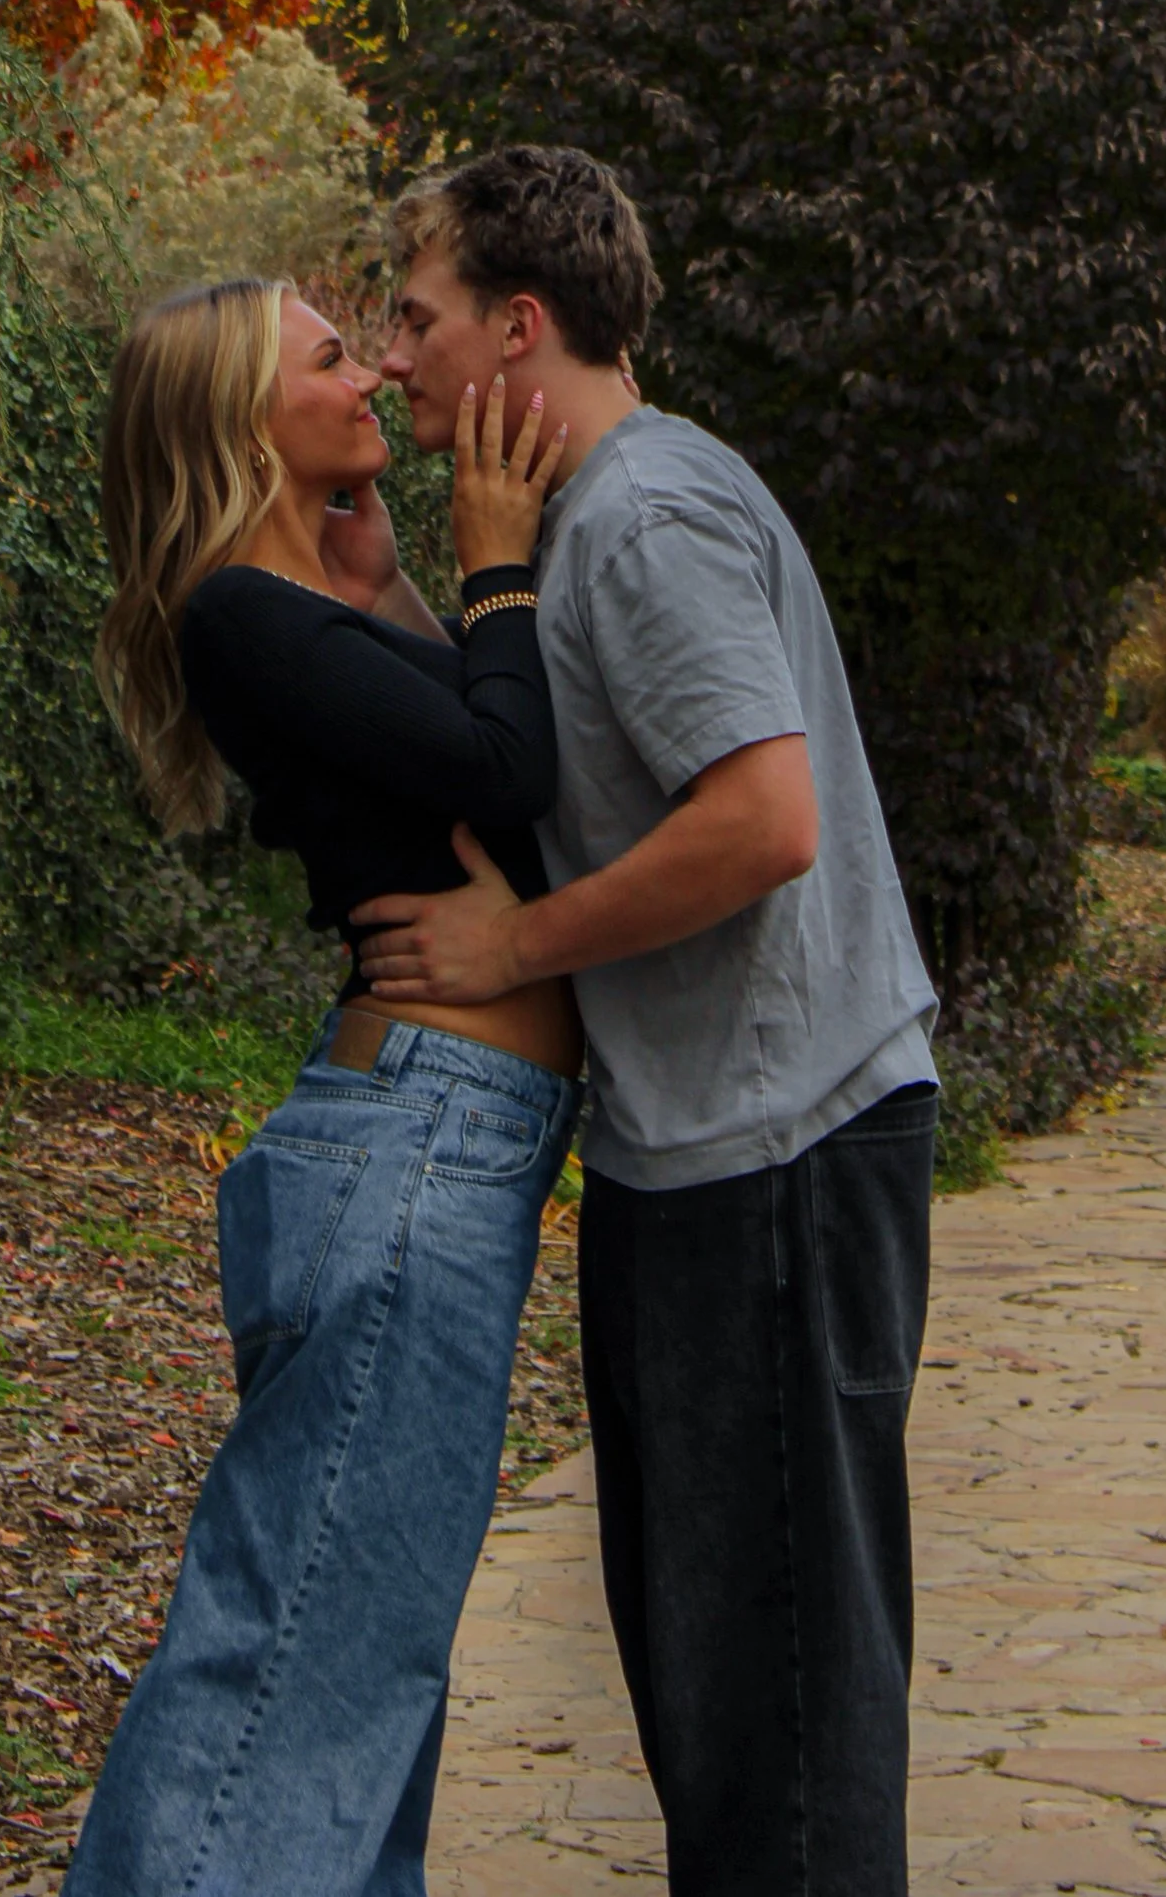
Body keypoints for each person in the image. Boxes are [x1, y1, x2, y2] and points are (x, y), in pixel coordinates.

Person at [357, 146, 941, 1897]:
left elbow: (765, 817)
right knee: (722, 1705)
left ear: (516, 325)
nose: (394, 357)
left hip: (779, 1166)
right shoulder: (595, 517)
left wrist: (513, 940)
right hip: (712, 1164)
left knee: (775, 1725)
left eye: (417, 313)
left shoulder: (643, 518)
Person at [63, 277, 578, 1897]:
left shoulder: (313, 604)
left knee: (358, 1694)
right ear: (242, 418)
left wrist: (407, 586)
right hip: (417, 1143)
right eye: (332, 356)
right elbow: (511, 774)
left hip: (444, 1146)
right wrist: (498, 554)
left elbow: (458, 770)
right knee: (290, 1678)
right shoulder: (235, 611)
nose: (373, 374)